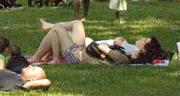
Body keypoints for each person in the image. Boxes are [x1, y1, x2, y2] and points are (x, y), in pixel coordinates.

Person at [26, 18, 168, 65]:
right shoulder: (127, 53)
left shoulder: (125, 58)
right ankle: (47, 56)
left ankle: (50, 57)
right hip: (81, 51)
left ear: (142, 52)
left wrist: (104, 47)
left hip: (78, 55)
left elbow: (112, 54)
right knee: (76, 23)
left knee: (56, 28)